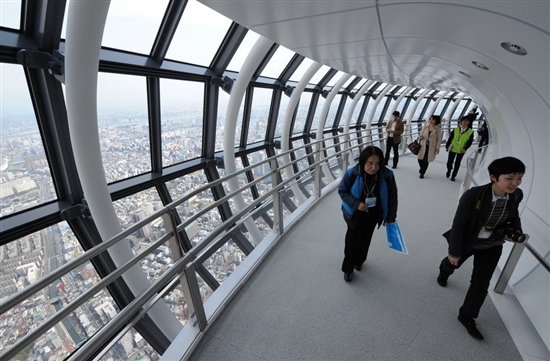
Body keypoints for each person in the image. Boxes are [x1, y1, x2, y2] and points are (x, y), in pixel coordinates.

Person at [437, 157, 525, 340]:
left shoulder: (516, 195)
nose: (515, 183)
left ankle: (467, 316)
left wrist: (515, 232)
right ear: (493, 177)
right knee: (452, 263)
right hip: (469, 241)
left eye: (519, 178)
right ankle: (444, 270)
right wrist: (454, 252)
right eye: (509, 178)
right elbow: (459, 224)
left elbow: (514, 216)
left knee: (481, 284)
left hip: (492, 245)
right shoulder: (473, 195)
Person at [339, 146, 398, 282]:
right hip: (354, 214)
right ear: (363, 162)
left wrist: (390, 218)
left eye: (377, 164)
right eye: (369, 163)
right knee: (351, 241)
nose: (373, 167)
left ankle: (359, 261)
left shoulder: (387, 175)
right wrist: (356, 203)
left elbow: (392, 197)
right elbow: (343, 191)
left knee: (365, 240)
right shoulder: (353, 173)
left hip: (374, 214)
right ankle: (348, 268)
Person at [445, 116, 474, 181]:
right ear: (461, 122)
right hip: (453, 148)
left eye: (467, 121)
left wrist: (465, 148)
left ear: (468, 122)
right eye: (464, 120)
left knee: (457, 163)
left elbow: (470, 142)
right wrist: (447, 146)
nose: (465, 122)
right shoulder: (455, 130)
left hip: (461, 150)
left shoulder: (470, 132)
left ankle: (453, 176)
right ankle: (449, 170)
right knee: (449, 162)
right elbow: (450, 139)